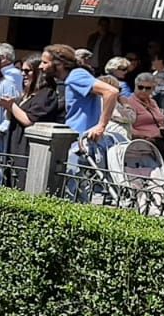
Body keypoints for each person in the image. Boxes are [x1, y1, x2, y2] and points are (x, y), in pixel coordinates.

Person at [40, 43, 120, 199]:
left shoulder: (76, 76)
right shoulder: (73, 77)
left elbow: (111, 92)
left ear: (59, 64)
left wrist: (101, 126)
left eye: (45, 62)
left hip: (81, 145)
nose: (41, 66)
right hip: (78, 143)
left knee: (75, 196)